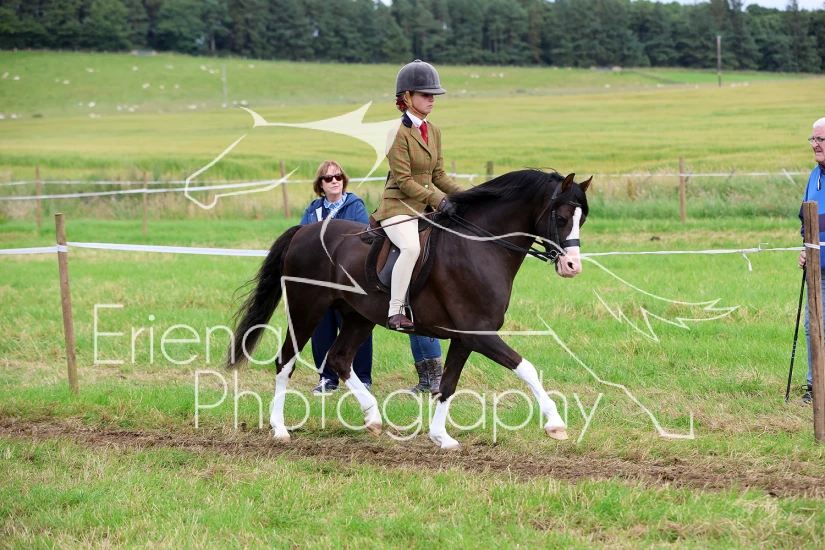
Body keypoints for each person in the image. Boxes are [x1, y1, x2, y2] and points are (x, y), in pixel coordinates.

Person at [372, 59, 464, 332]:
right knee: (411, 248)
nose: (432, 99)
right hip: (397, 206)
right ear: (407, 98)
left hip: (423, 208)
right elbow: (403, 180)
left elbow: (439, 175)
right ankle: (395, 311)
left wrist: (468, 196)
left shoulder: (433, 130)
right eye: (425, 94)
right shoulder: (396, 133)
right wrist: (437, 200)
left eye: (434, 94)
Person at [300, 160, 372, 394]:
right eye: (328, 178)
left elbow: (362, 238)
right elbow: (303, 240)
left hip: (348, 280)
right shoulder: (312, 210)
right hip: (320, 280)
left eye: (338, 177)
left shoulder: (355, 206)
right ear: (320, 184)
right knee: (321, 329)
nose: (334, 181)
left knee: (355, 326)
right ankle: (327, 379)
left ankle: (362, 378)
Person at [797, 116, 825, 404]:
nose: (815, 145)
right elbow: (806, 221)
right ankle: (815, 386)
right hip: (818, 270)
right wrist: (804, 247)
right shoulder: (814, 176)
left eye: (820, 139)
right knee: (813, 325)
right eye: (813, 139)